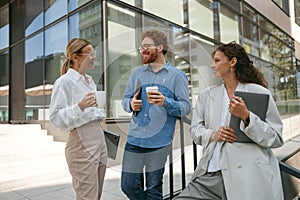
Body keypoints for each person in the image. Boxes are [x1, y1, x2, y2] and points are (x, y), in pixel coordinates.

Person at [175, 41, 284, 200]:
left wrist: (247, 117)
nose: (212, 66)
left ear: (232, 62)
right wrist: (214, 134)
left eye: (217, 60)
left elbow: (276, 138)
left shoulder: (260, 93)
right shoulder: (207, 95)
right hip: (210, 176)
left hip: (248, 177)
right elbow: (195, 130)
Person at [121, 30, 191, 200]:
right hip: (135, 139)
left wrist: (165, 102)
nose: (142, 50)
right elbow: (125, 99)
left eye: (147, 46)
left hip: (159, 143)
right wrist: (131, 104)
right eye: (141, 47)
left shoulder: (177, 76)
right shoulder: (136, 74)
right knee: (128, 185)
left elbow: (185, 108)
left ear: (160, 48)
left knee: (153, 188)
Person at [49, 38, 107, 200]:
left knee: (97, 193)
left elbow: (92, 112)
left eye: (94, 53)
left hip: (98, 136)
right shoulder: (64, 82)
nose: (94, 57)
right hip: (81, 140)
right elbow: (55, 118)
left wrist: (99, 109)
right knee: (87, 195)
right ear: (75, 57)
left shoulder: (90, 81)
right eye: (90, 53)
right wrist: (79, 106)